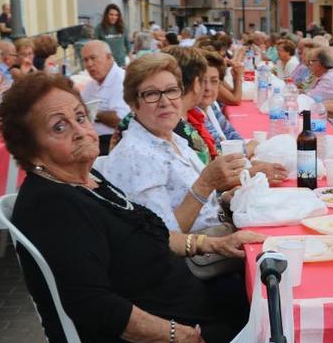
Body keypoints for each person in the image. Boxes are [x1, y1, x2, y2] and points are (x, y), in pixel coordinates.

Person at [0, 72, 265, 343]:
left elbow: (147, 232)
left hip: (181, 319)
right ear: (31, 150)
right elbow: (94, 305)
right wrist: (181, 337)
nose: (80, 130)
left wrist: (213, 244)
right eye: (59, 127)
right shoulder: (52, 205)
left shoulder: (87, 178)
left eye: (80, 117)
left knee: (265, 310)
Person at [103, 53, 286, 233]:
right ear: (133, 103)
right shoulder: (136, 156)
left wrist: (225, 200)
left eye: (171, 91)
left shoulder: (171, 138)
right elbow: (162, 238)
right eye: (152, 94)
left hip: (217, 230)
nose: (165, 101)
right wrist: (205, 184)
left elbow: (191, 201)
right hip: (196, 256)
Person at [80, 41, 131, 155]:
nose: (89, 64)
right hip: (92, 141)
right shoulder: (92, 84)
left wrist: (93, 112)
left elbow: (120, 120)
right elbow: (79, 106)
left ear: (109, 57)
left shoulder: (122, 80)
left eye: (93, 58)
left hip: (114, 145)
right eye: (85, 60)